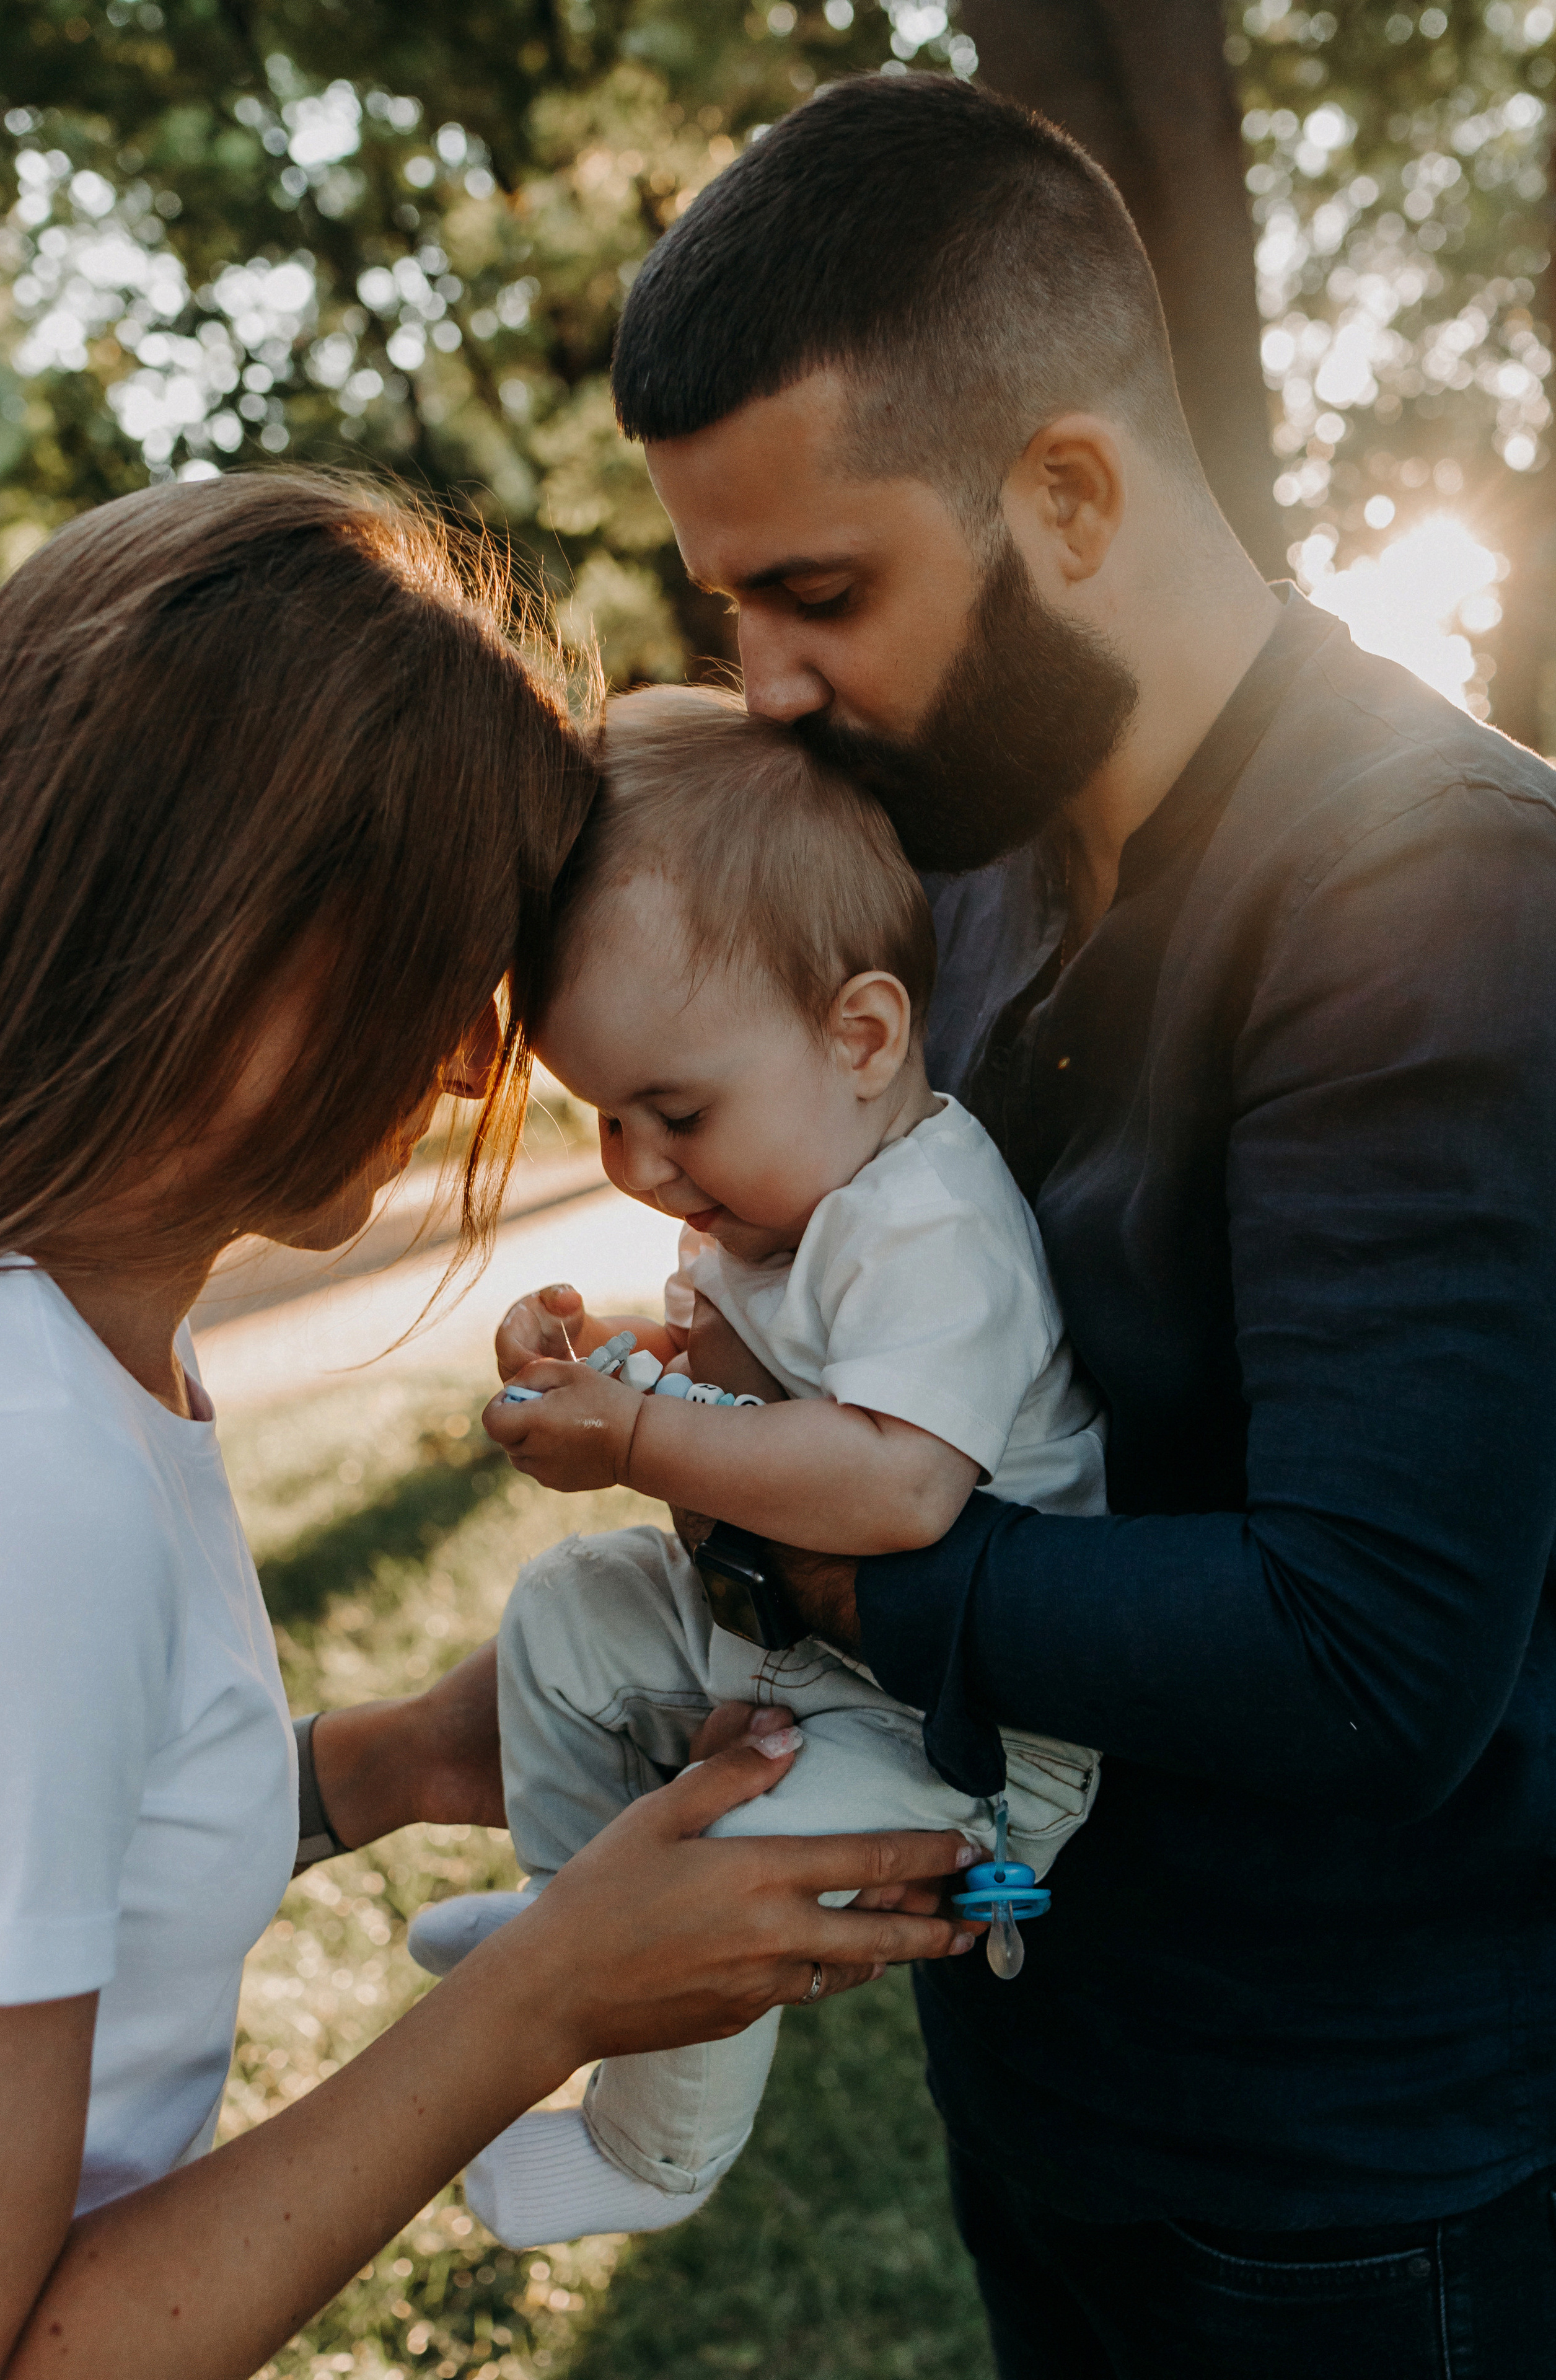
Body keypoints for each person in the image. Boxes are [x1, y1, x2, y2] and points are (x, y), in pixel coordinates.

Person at [500, 70, 1556, 2375]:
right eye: (732, 606)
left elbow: (1369, 1653)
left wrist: (793, 1546)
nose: (765, 683)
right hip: (1044, 2070)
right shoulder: (946, 871)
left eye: (820, 593)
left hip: (1342, 2186)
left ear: (1064, 492)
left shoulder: (1430, 892)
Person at [0, 470, 982, 2380]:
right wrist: (535, 2006)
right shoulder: (18, 1469)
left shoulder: (82, 1364)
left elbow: (42, 1846)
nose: (462, 1063)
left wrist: (398, 1762)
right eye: (446, 967)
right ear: (239, 927)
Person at [425, 683, 1105, 2250]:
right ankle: (570, 1936)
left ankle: (651, 2158)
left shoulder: (927, 1224)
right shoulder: (772, 1199)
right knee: (560, 1621)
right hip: (799, 1647)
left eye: (676, 1111)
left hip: (972, 1729)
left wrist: (643, 1433)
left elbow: (896, 1490)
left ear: (858, 1036)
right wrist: (611, 1361)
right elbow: (742, 1393)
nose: (644, 1167)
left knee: (728, 1858)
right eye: (605, 1119)